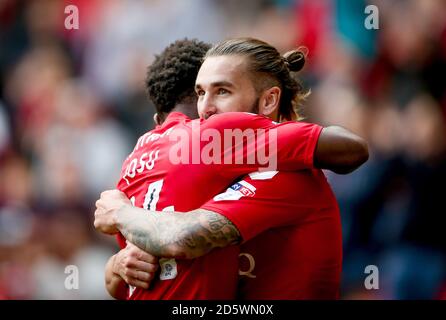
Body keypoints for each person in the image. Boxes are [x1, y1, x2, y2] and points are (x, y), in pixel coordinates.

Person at [95, 38, 368, 299]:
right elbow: (126, 282)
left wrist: (121, 213)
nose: (205, 110)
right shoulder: (213, 172)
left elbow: (181, 238)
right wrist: (119, 265)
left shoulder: (283, 173)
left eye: (222, 91)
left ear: (269, 101)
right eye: (201, 93)